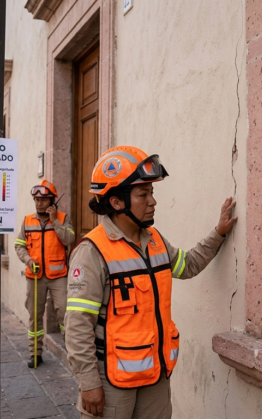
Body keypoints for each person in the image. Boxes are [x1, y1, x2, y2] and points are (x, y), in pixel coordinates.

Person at [63, 146, 237, 419]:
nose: (152, 201)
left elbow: (187, 265)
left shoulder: (154, 240)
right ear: (117, 202)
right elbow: (77, 325)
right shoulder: (92, 251)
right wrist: (89, 384)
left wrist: (218, 234)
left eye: (152, 193)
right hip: (112, 380)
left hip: (156, 374)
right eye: (143, 195)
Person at [15, 180, 76, 368]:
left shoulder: (63, 218)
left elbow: (69, 239)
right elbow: (19, 246)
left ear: (52, 201)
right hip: (35, 277)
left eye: (43, 200)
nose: (39, 203)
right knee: (35, 315)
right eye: (36, 200)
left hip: (59, 276)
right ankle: (35, 353)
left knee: (65, 312)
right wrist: (28, 260)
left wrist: (55, 221)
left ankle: (71, 352)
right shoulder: (27, 221)